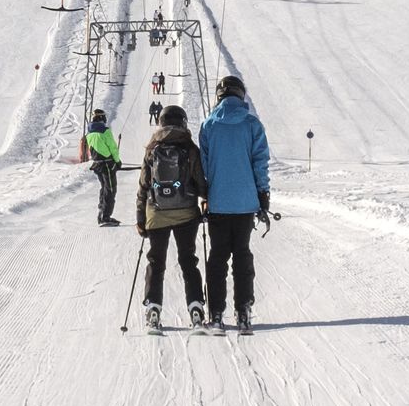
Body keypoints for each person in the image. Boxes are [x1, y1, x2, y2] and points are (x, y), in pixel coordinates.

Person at [198, 75, 272, 332]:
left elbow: (204, 166)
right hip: (244, 203)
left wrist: (206, 195)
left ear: (219, 96)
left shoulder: (209, 125)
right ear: (241, 95)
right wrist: (263, 194)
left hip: (218, 202)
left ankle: (216, 315)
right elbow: (259, 162)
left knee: (217, 257)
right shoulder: (252, 124)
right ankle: (244, 313)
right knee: (242, 255)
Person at [134, 104, 207, 331]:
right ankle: (196, 309)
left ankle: (153, 309)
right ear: (183, 122)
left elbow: (144, 186)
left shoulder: (153, 148)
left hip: (156, 214)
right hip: (186, 213)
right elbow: (201, 183)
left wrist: (140, 217)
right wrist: (205, 201)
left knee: (156, 262)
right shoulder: (190, 148)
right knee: (188, 261)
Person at [84, 110, 122, 224]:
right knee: (110, 189)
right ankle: (105, 217)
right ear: (101, 118)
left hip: (97, 164)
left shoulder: (89, 132)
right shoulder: (105, 131)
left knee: (104, 188)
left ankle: (101, 213)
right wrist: (117, 161)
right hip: (107, 164)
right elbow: (113, 147)